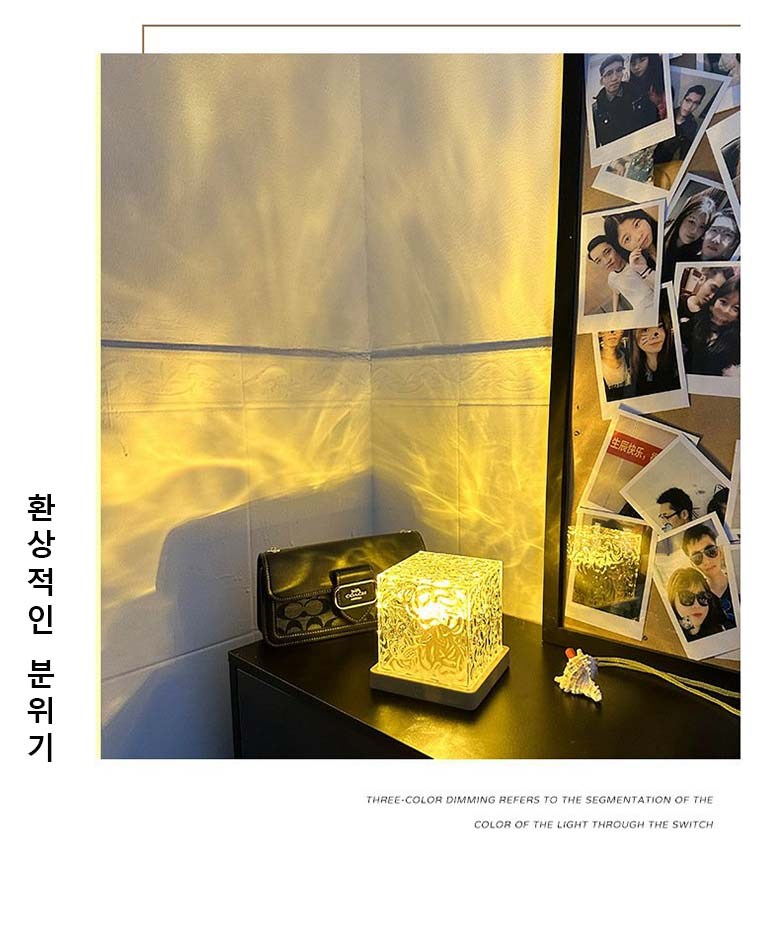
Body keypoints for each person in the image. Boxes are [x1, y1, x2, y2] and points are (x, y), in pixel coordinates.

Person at [592, 54, 659, 147]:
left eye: (619, 70)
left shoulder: (638, 94)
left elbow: (654, 120)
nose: (615, 78)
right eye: (609, 73)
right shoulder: (596, 110)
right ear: (602, 80)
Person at [680, 274, 740, 377]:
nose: (726, 311)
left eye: (736, 308)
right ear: (715, 300)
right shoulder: (695, 322)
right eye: (723, 302)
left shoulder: (737, 342)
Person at [682, 522, 735, 625]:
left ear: (719, 552)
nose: (706, 561)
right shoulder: (697, 601)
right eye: (697, 557)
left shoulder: (738, 581)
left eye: (711, 551)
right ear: (692, 564)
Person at [587, 235, 655, 315]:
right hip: (640, 313)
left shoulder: (636, 263)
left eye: (607, 252)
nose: (606, 261)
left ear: (615, 246)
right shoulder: (612, 278)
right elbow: (616, 292)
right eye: (599, 261)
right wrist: (615, 312)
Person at [661, 190, 718, 282]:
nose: (694, 231)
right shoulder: (659, 236)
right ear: (682, 217)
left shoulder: (693, 262)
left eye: (702, 227)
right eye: (691, 221)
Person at [667, 567, 727, 641]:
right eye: (687, 598)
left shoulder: (721, 630)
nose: (697, 605)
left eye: (702, 597)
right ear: (673, 601)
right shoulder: (669, 639)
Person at [630, 307, 679, 396]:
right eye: (645, 330)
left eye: (659, 326)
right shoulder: (631, 372)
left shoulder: (679, 361)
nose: (654, 335)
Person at [653, 84, 706, 165]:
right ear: (682, 100)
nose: (690, 106)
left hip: (662, 163)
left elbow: (685, 153)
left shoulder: (692, 126)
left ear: (698, 106)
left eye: (695, 103)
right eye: (688, 100)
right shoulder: (666, 113)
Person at [604, 208, 658, 279]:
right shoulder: (636, 267)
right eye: (627, 239)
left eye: (637, 224)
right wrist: (643, 270)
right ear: (621, 248)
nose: (638, 236)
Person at [627, 54, 667, 119]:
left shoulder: (662, 84)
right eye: (633, 63)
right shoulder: (629, 88)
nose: (636, 67)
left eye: (642, 60)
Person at [597, 330, 633, 402]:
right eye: (606, 329)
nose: (612, 332)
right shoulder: (594, 360)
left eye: (616, 328)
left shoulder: (629, 355)